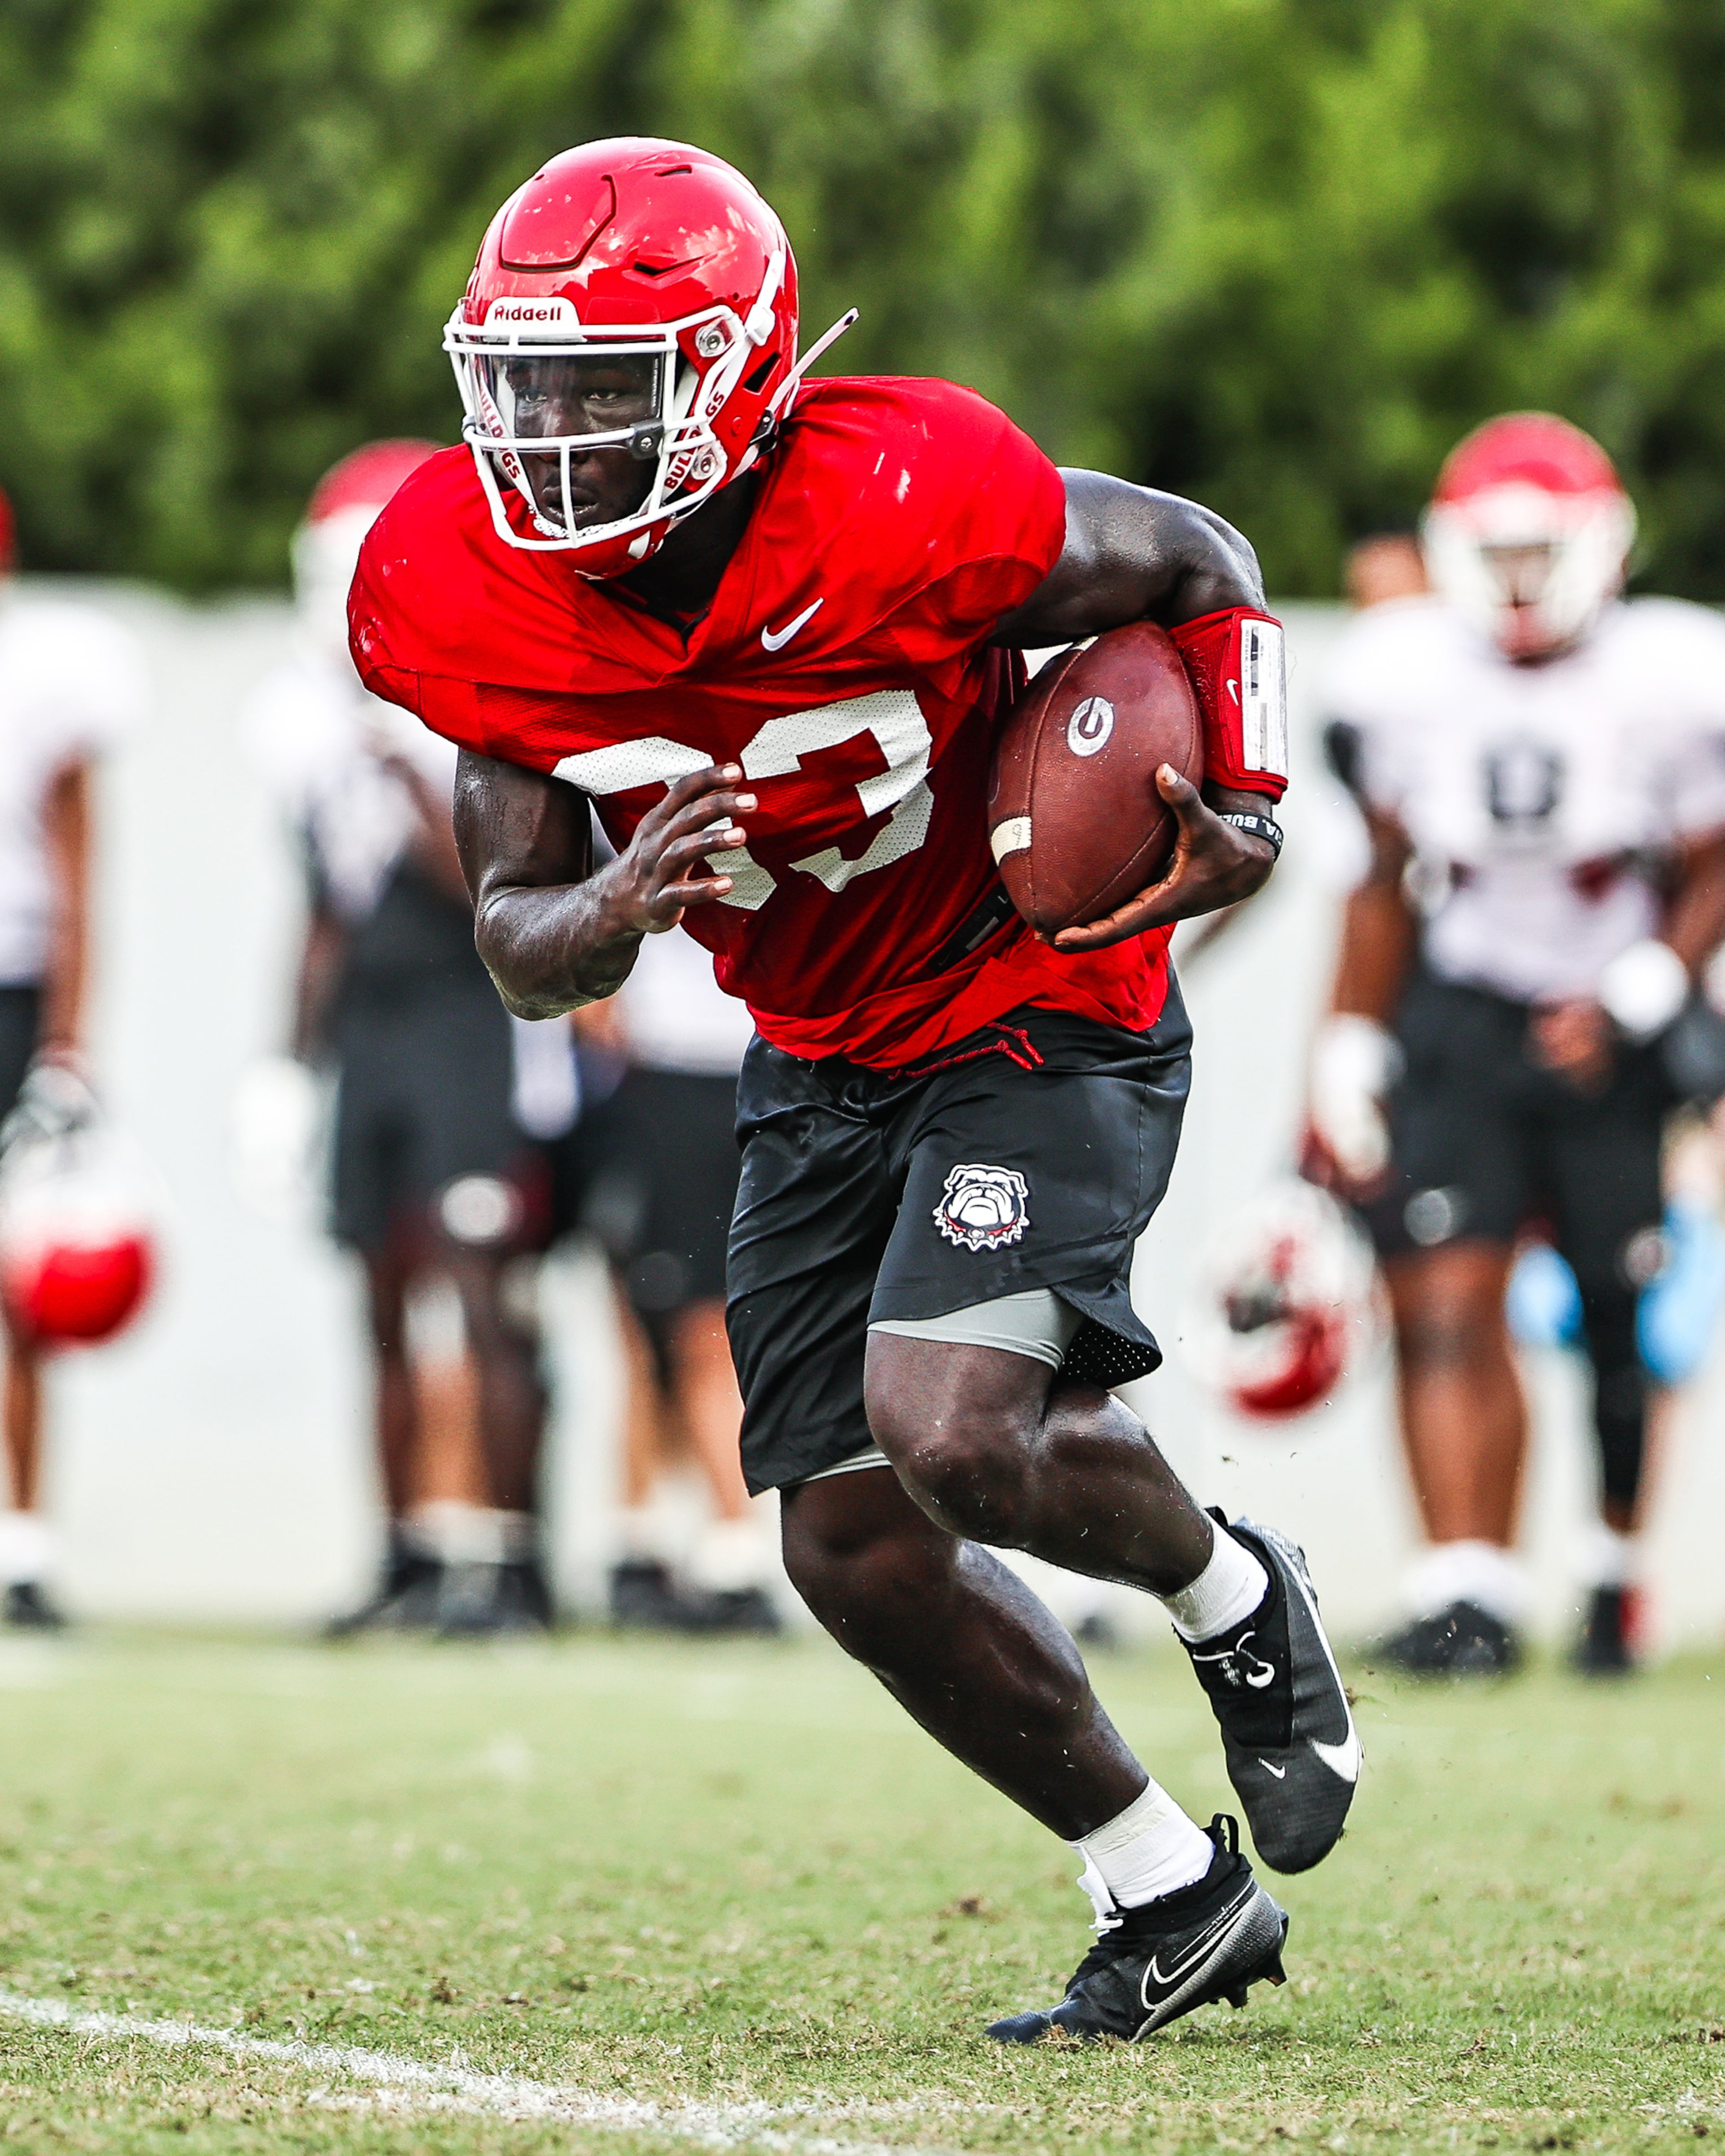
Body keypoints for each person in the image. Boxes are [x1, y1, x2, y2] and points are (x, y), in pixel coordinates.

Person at [349, 137, 1358, 2043]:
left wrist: (1250, 789)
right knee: (850, 1542)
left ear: (738, 376)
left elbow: (1203, 558)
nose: (552, 435)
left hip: (1037, 994)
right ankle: (1167, 1891)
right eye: (526, 385)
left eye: (604, 388)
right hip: (818, 1046)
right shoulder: (458, 587)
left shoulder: (911, 489)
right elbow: (513, 934)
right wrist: (611, 902)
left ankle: (1232, 1593)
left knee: (956, 1431)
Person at [1308, 413, 1725, 1676]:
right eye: (1504, 552)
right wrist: (1349, 1036)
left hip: (1621, 1007)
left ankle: (1610, 1572)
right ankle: (1467, 1590)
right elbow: (1384, 870)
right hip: (1470, 995)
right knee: (1444, 1286)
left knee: (1615, 1315)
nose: (1526, 579)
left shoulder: (1674, 672)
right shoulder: (1401, 675)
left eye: (1548, 550)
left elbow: (1712, 852)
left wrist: (1652, 983)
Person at [243, 442, 576, 1639]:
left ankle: (513, 1556)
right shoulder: (295, 719)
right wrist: (285, 1067)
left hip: (470, 1020)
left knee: (486, 1288)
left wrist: (396, 760)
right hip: (375, 1030)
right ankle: (407, 1552)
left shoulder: (479, 704)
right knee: (377, 1300)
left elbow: (491, 886)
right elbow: (325, 911)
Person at [0, 490, 148, 1627]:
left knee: (18, 1292)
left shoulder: (39, 680)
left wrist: (66, 1044)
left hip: (11, 995)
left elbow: (77, 877)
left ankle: (24, 1540)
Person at [579, 926, 780, 1633]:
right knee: (666, 1332)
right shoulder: (622, 821)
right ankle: (682, 1548)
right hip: (670, 1083)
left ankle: (707, 1548)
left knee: (723, 1333)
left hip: (784, 1069)